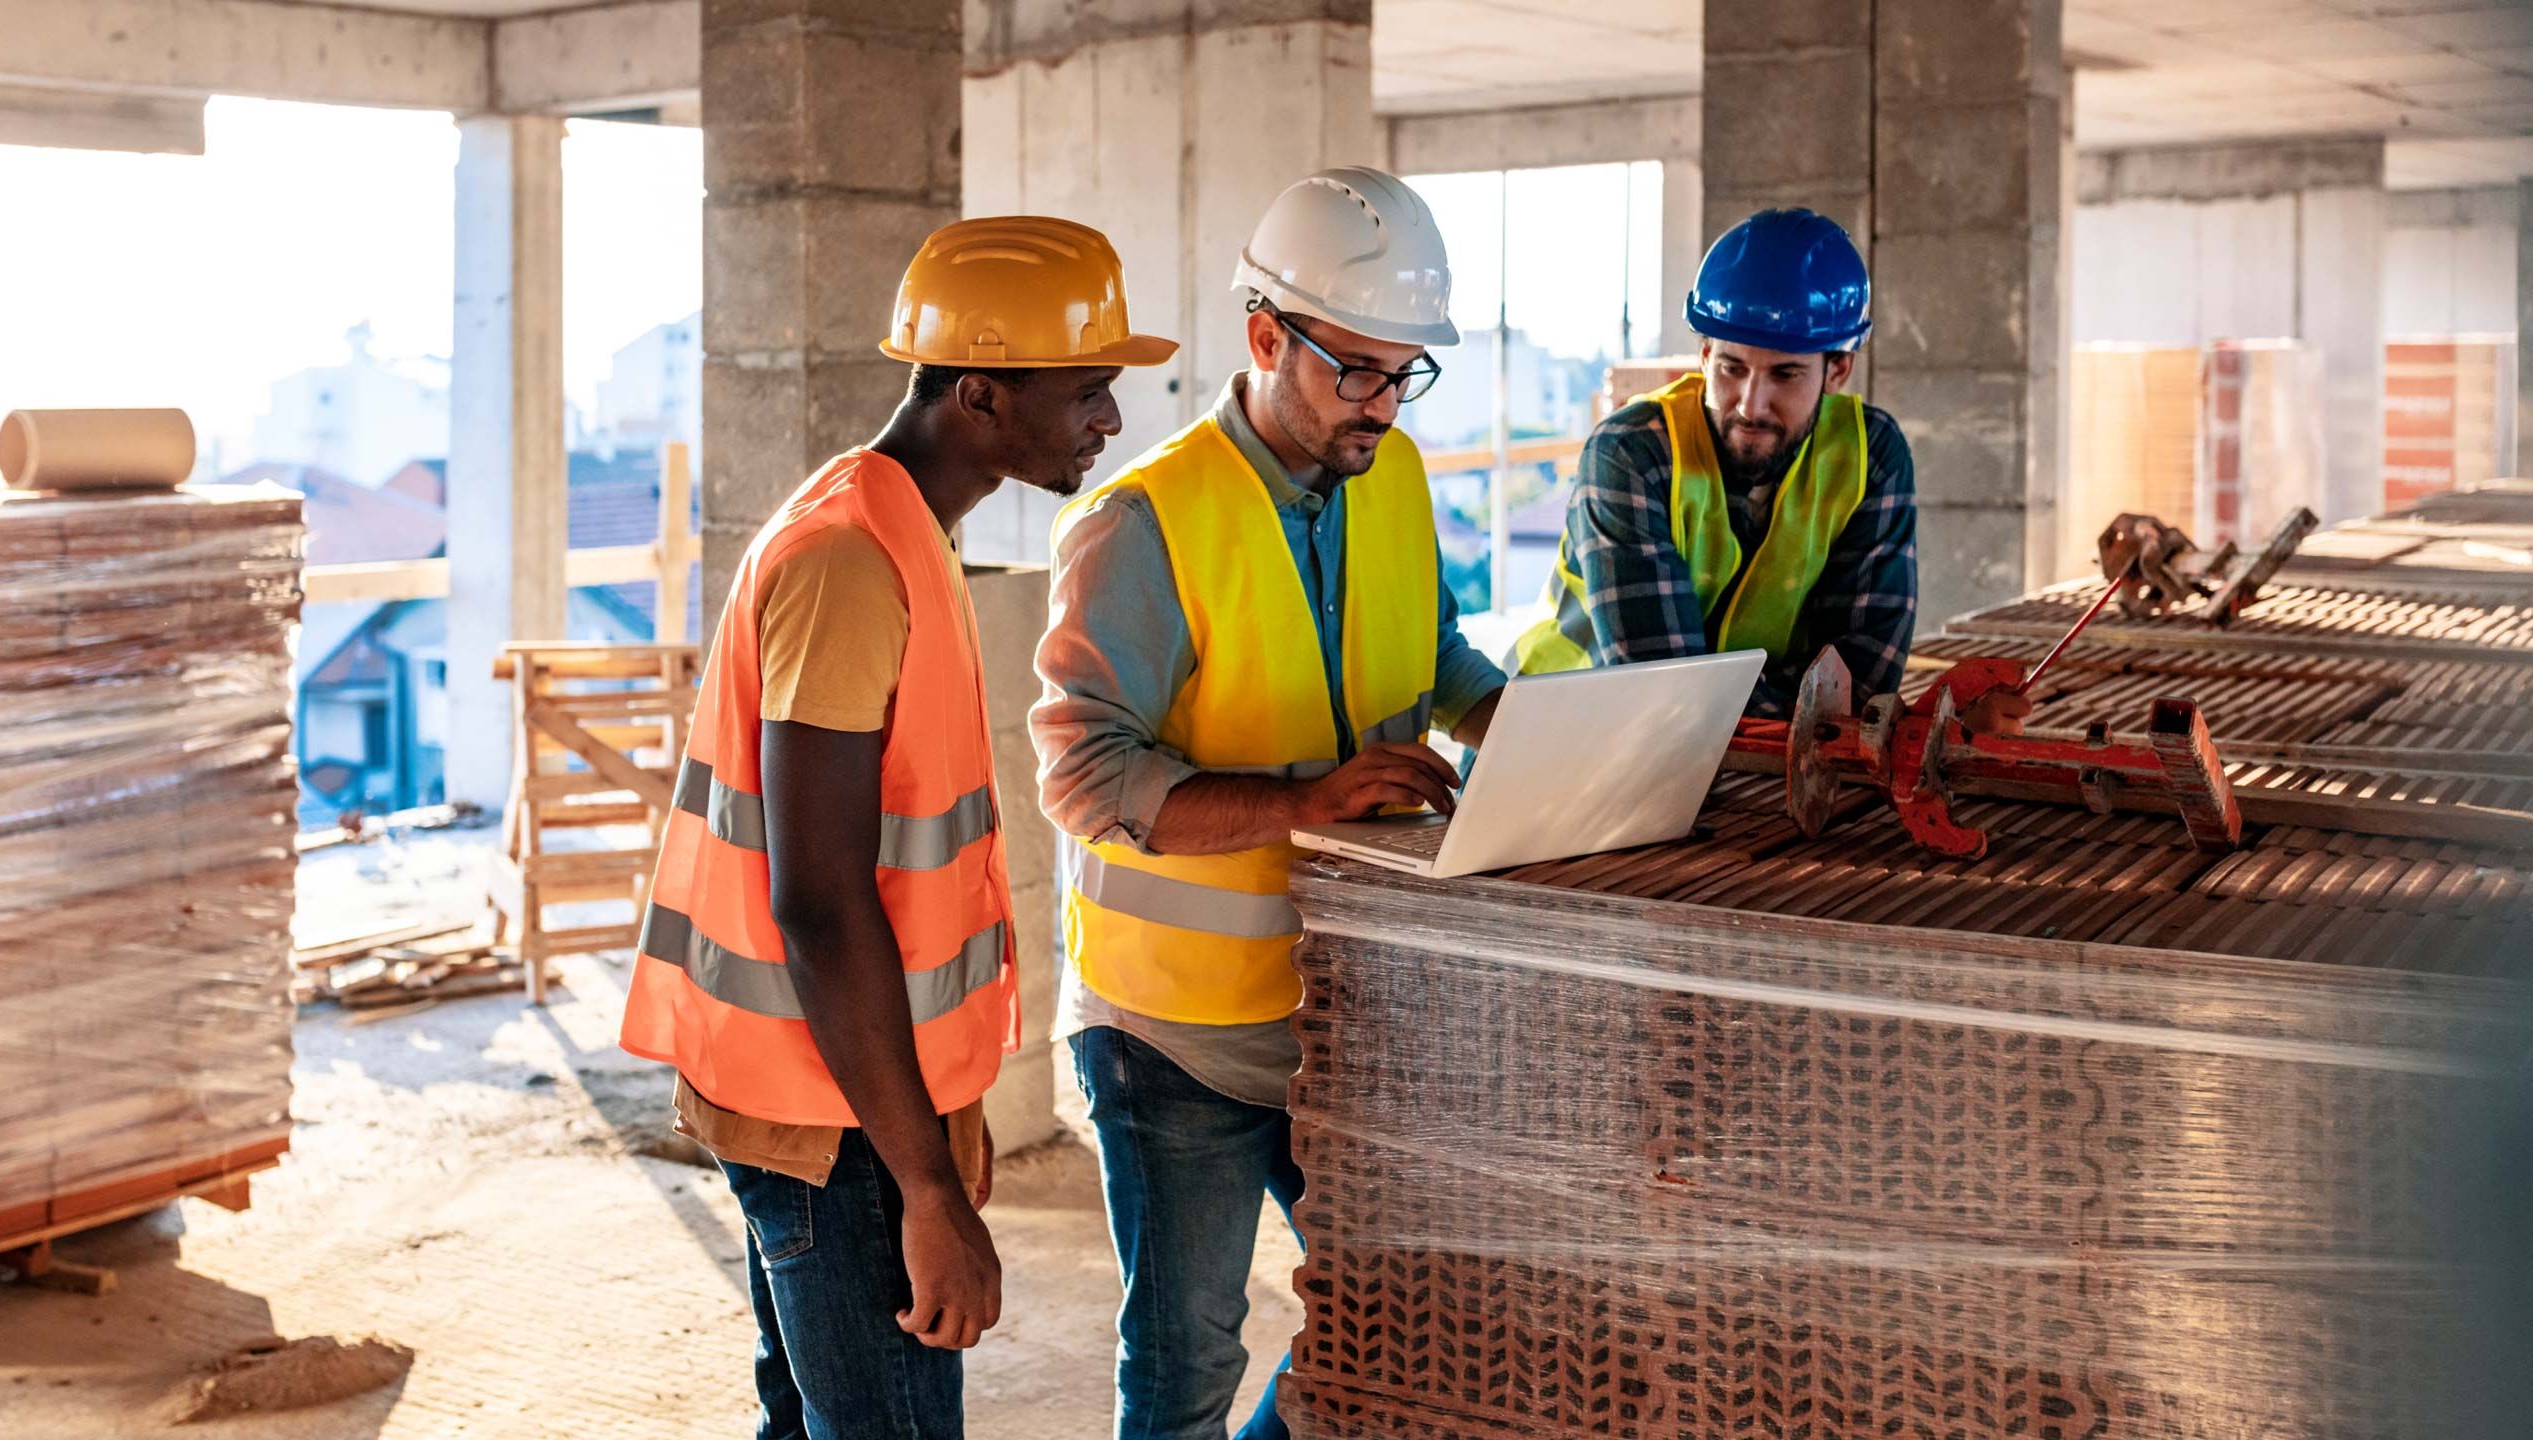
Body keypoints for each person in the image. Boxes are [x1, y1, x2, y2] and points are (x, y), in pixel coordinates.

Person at [620, 216, 1174, 1440]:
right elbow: (818, 899)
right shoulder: (848, 563)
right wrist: (925, 1184)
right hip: (833, 1121)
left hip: (851, 1091)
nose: (1109, 420)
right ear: (979, 390)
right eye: (1087, 390)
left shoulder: (896, 531)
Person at [1029, 166, 1506, 1440]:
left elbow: (1434, 653)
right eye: (1357, 370)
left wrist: (1513, 726)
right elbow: (1083, 772)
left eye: (1407, 372)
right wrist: (1306, 802)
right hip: (1176, 1033)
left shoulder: (1391, 477)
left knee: (1403, 1320)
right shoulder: (1144, 523)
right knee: (1186, 1362)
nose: (1384, 404)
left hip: (1355, 1010)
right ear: (1262, 338)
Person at [1511, 207, 1920, 722]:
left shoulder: (1871, 455)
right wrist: (1812, 712)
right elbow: (1665, 692)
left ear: (1837, 368)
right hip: (1554, 741)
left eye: (1785, 374)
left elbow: (1859, 682)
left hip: (1732, 763)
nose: (1751, 404)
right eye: (1732, 368)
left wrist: (1825, 714)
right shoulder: (1631, 453)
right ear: (1704, 355)